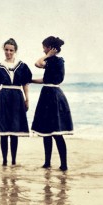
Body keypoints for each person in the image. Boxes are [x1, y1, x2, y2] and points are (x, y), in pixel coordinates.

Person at [0, 38, 32, 166]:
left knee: (14, 131)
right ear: (4, 50)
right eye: (6, 50)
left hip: (17, 98)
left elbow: (25, 84)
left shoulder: (22, 66)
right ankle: (4, 161)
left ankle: (13, 161)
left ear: (15, 51)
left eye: (11, 50)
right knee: (3, 132)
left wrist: (27, 99)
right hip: (3, 98)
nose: (8, 52)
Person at [31, 36, 73, 171]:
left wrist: (48, 55)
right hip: (47, 94)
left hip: (53, 96)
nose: (43, 50)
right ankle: (47, 163)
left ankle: (64, 164)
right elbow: (45, 79)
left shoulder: (57, 61)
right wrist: (31, 81)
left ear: (50, 48)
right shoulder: (51, 61)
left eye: (44, 47)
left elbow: (37, 63)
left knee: (56, 132)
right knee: (46, 132)